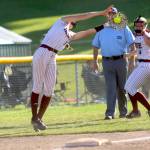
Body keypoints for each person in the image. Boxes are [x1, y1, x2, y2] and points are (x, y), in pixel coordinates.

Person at [30, 5, 113, 131]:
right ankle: (34, 117)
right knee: (37, 86)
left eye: (74, 23)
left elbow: (88, 32)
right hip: (43, 51)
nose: (73, 22)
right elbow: (85, 15)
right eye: (73, 20)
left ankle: (38, 119)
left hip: (53, 56)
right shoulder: (61, 21)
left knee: (49, 91)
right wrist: (101, 13)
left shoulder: (70, 35)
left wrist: (105, 26)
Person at [92, 7, 136, 120]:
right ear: (106, 15)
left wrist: (132, 60)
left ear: (117, 15)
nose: (111, 15)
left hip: (121, 61)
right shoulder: (101, 29)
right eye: (109, 13)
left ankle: (123, 112)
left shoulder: (123, 27)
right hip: (107, 62)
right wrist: (95, 61)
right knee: (110, 88)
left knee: (122, 88)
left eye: (114, 13)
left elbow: (132, 44)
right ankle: (109, 114)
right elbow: (95, 46)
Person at [125, 16, 150, 118]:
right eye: (137, 24)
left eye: (141, 24)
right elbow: (140, 49)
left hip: (147, 65)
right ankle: (135, 111)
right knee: (129, 87)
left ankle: (146, 109)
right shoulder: (137, 35)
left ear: (145, 25)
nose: (139, 26)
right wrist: (129, 54)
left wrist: (144, 32)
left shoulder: (146, 34)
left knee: (130, 87)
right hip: (141, 64)